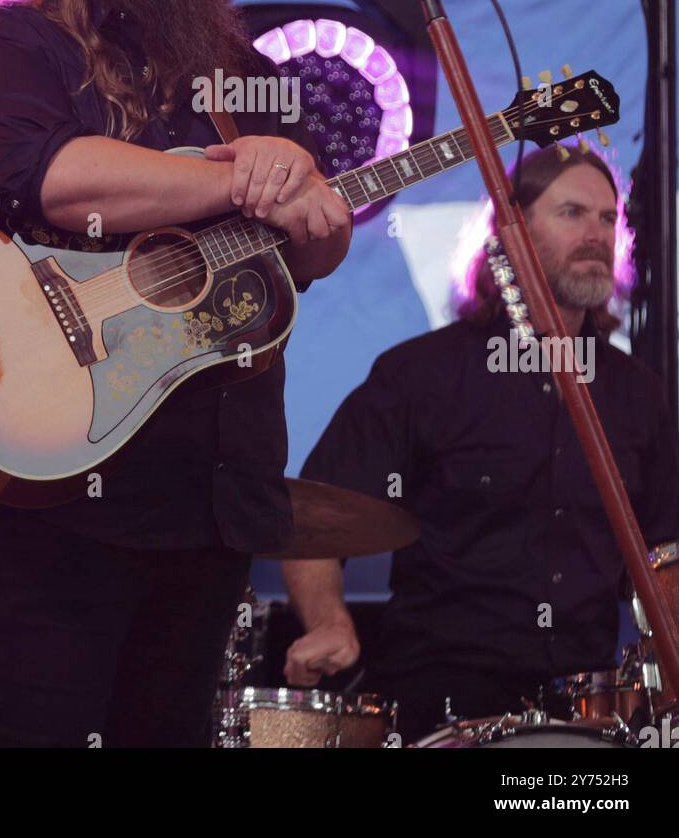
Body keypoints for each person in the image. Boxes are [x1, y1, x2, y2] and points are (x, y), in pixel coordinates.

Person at [0, 0, 352, 748]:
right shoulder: (4, 47)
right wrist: (235, 172)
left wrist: (315, 206)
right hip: (46, 497)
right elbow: (60, 181)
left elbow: (308, 254)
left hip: (205, 497)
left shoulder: (241, 74)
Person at [282, 147, 679, 744]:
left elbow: (665, 554)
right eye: (572, 212)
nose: (597, 233)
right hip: (442, 701)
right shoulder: (421, 375)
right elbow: (313, 519)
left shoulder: (639, 395)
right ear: (509, 235)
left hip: (590, 710)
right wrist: (329, 621)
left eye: (607, 217)